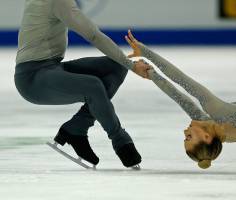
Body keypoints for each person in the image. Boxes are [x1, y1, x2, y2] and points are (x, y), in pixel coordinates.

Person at [125, 30, 236, 169]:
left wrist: (152, 75)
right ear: (207, 137)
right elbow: (181, 82)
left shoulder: (224, 136)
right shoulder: (218, 113)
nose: (184, 133)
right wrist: (147, 56)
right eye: (188, 138)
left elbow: (177, 95)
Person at [14, 0, 151, 168]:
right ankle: (121, 141)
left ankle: (77, 128)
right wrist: (132, 65)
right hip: (32, 79)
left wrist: (126, 64)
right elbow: (92, 34)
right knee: (92, 86)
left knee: (116, 66)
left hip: (53, 68)